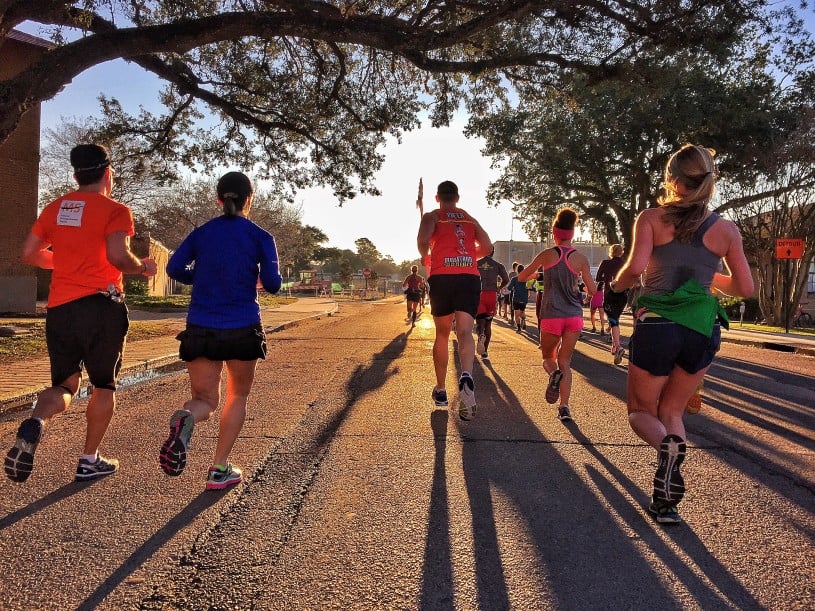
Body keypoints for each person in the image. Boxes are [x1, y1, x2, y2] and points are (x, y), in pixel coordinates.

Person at [609, 144, 753, 524]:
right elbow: (746, 288)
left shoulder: (652, 219)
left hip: (658, 324)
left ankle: (668, 449)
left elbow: (636, 267)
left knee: (641, 411)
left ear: (671, 180)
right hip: (701, 330)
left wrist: (618, 283)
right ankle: (666, 504)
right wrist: (706, 278)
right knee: (673, 409)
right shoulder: (725, 230)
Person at [5, 144, 158, 483]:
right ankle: (89, 459)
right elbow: (118, 257)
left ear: (75, 175)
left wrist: (66, 261)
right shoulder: (115, 210)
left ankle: (36, 423)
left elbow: (29, 253)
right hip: (101, 307)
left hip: (60, 309)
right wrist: (143, 268)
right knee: (104, 385)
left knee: (64, 384)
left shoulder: (55, 208)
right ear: (107, 174)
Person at [160, 171, 282, 490]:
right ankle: (219, 469)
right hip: (242, 328)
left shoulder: (202, 233)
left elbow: (173, 268)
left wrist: (200, 278)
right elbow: (273, 284)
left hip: (201, 327)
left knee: (204, 399)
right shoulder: (261, 236)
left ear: (219, 199)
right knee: (237, 395)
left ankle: (187, 418)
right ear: (249, 199)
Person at [417, 180, 492, 421]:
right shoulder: (469, 218)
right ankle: (467, 374)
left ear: (438, 198)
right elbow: (488, 246)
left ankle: (441, 390)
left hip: (442, 277)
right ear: (457, 198)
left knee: (441, 334)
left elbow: (422, 240)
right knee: (464, 332)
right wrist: (471, 255)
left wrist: (426, 256)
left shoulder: (433, 216)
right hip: (469, 277)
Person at [518, 208, 596, 422]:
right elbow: (592, 289)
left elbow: (522, 277)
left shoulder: (547, 255)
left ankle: (553, 375)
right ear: (572, 232)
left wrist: (538, 273)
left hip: (552, 314)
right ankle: (564, 407)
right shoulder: (580, 258)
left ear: (554, 231)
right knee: (566, 361)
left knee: (547, 358)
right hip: (573, 316)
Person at [475, 247, 510, 360]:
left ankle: (480, 335)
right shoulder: (498, 265)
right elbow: (506, 279)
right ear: (493, 252)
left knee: (480, 322)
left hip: (479, 293)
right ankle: (485, 352)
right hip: (492, 295)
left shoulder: (476, 264)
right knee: (488, 325)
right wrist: (499, 288)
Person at [595, 244, 626, 362]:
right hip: (623, 295)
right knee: (615, 320)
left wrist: (607, 278)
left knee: (614, 321)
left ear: (611, 252)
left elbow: (598, 278)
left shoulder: (605, 263)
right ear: (621, 252)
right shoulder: (625, 264)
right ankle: (615, 345)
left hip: (609, 294)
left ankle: (618, 346)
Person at [505, 264, 530, 332]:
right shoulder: (527, 279)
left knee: (517, 314)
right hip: (524, 298)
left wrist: (513, 287)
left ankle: (519, 328)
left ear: (517, 271)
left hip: (516, 298)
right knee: (522, 311)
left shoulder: (514, 279)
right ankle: (524, 320)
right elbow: (531, 287)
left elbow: (509, 288)